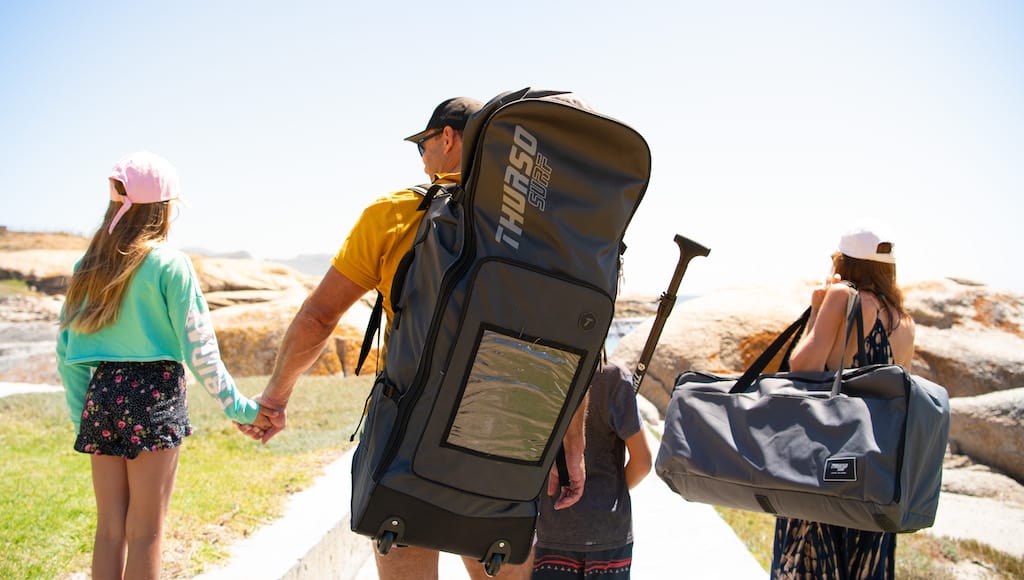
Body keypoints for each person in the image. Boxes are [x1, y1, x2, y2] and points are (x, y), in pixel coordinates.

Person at [238, 97, 588, 580]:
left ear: (447, 138)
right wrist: (571, 446)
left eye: (422, 145)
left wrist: (275, 399)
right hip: (506, 450)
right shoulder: (541, 233)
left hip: (409, 443)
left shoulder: (397, 212)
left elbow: (319, 316)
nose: (422, 159)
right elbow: (567, 348)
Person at [56, 151, 261, 580]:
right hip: (153, 397)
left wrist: (84, 419)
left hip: (103, 396)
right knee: (147, 532)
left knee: (110, 530)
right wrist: (241, 409)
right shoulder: (170, 264)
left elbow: (68, 353)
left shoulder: (86, 267)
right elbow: (200, 350)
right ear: (165, 208)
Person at [771, 225, 916, 579]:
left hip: (828, 462)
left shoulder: (842, 296)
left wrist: (817, 309)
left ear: (844, 263)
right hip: (876, 472)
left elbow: (802, 366)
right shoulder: (904, 321)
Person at [530, 358, 653, 580]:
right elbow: (642, 461)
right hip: (608, 530)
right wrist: (613, 494)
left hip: (552, 525)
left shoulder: (541, 368)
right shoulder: (614, 377)